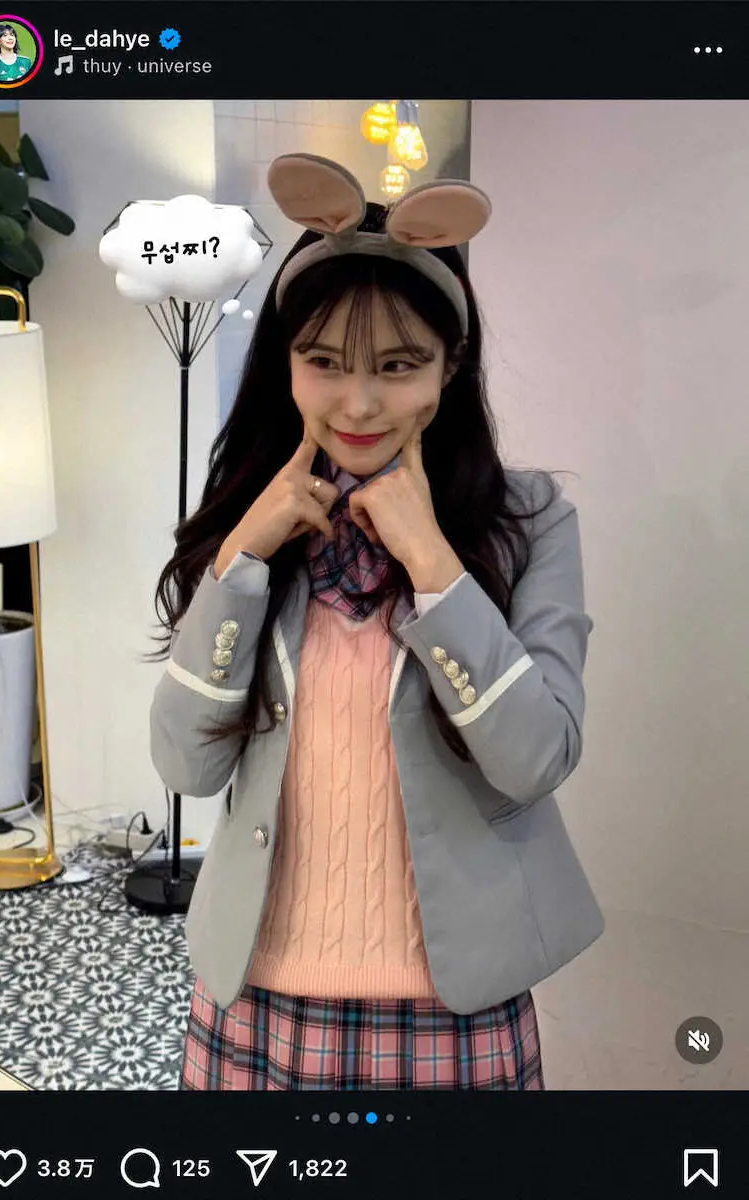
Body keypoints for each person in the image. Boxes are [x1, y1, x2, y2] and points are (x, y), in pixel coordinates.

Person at [148, 152, 604, 1091]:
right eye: (323, 363)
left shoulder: (527, 522)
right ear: (287, 363)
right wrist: (243, 562)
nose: (358, 404)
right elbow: (186, 766)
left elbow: (537, 759)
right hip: (255, 993)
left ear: (450, 365)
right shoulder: (251, 521)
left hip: (456, 1003)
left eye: (398, 367)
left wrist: (433, 563)